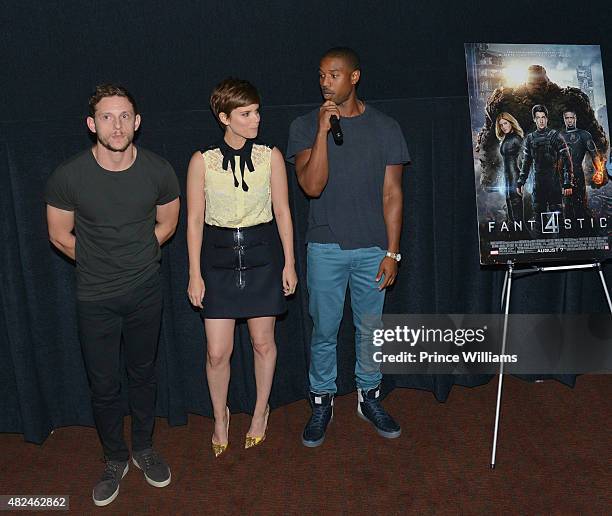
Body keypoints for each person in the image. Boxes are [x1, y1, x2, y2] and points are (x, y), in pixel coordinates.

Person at [45, 84, 180, 506]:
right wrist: (103, 263)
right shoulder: (69, 176)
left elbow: (169, 223)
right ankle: (114, 458)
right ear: (92, 124)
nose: (116, 125)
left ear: (137, 123)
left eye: (124, 116)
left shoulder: (159, 170)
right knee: (103, 386)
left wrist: (136, 256)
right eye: (107, 116)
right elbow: (58, 235)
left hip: (145, 292)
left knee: (143, 375)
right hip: (94, 298)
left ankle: (143, 448)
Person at [286, 47, 410, 447]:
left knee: (370, 330)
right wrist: (322, 132)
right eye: (321, 75)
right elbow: (311, 185)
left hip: (373, 248)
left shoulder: (386, 127)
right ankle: (322, 401)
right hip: (326, 247)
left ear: (354, 77)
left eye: (334, 75)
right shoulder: (305, 125)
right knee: (324, 330)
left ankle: (368, 397)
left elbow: (393, 194)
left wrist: (392, 252)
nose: (325, 82)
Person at [186, 78, 297, 457]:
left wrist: (290, 263)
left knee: (263, 343)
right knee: (217, 352)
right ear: (224, 118)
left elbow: (283, 211)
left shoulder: (271, 156)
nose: (256, 119)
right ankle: (221, 416)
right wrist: (194, 273)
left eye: (256, 111)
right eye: (246, 114)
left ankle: (260, 411)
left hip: (262, 257)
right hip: (217, 262)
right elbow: (194, 221)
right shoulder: (202, 161)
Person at [517, 104, 573, 225]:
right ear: (534, 119)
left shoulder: (555, 136)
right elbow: (526, 163)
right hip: (538, 186)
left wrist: (567, 183)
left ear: (547, 118)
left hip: (554, 184)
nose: (541, 120)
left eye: (543, 117)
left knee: (559, 222)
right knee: (539, 223)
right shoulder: (530, 139)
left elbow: (567, 160)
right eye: (538, 117)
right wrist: (521, 181)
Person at [560, 109, 603, 219]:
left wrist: (599, 171)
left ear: (575, 119)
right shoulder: (559, 135)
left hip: (578, 174)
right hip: (562, 176)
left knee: (580, 206)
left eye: (571, 118)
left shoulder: (584, 135)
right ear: (564, 119)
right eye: (567, 118)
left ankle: (585, 230)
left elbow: (594, 154)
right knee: (566, 208)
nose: (569, 120)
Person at [495, 112, 524, 224]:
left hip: (515, 177)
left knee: (516, 210)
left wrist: (521, 182)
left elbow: (524, 160)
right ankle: (517, 235)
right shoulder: (506, 138)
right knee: (510, 206)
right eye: (501, 125)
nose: (503, 127)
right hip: (508, 178)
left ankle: (523, 236)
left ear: (511, 123)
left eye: (505, 123)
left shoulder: (517, 139)